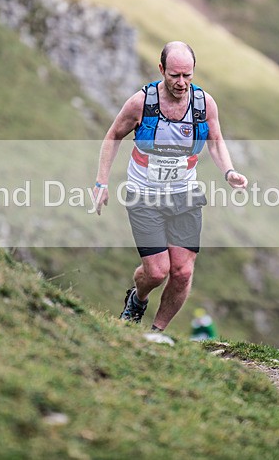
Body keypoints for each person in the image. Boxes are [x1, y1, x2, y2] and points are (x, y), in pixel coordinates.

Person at [93, 41, 247, 333]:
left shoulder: (204, 104)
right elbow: (113, 136)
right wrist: (101, 182)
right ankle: (137, 300)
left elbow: (215, 141)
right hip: (144, 196)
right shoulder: (141, 103)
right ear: (161, 69)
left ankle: (156, 333)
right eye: (175, 75)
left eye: (187, 75)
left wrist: (229, 172)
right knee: (156, 272)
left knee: (182, 272)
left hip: (184, 195)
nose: (181, 82)